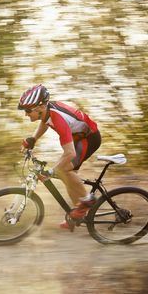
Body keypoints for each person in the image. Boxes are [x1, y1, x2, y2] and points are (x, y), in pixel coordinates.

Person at [18, 84, 101, 229]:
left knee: (64, 170)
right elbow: (45, 122)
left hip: (89, 138)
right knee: (66, 175)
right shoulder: (47, 111)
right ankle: (78, 213)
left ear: (41, 107)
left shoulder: (59, 119)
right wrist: (33, 139)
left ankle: (88, 201)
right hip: (78, 138)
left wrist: (51, 171)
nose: (26, 114)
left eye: (28, 110)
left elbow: (70, 153)